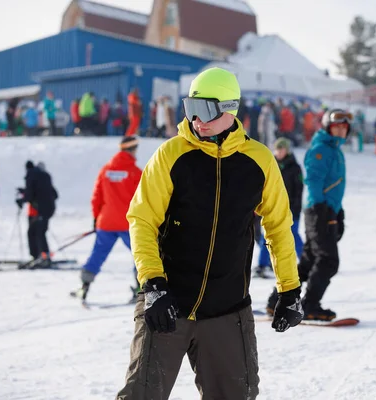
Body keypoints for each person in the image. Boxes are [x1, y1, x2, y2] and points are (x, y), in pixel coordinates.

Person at [116, 67, 302, 400]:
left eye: (206, 111)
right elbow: (142, 219)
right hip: (168, 304)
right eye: (190, 109)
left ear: (230, 108)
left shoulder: (258, 160)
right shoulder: (172, 154)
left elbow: (278, 225)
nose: (196, 120)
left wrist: (289, 289)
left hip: (227, 311)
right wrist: (153, 283)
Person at [267, 109, 349, 321]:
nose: (341, 130)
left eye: (344, 127)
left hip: (326, 210)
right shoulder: (321, 149)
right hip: (319, 212)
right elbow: (313, 181)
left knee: (308, 262)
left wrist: (338, 213)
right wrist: (323, 210)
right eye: (336, 126)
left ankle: (276, 299)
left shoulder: (334, 149)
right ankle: (310, 305)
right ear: (327, 127)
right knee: (328, 260)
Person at [73, 136, 142, 302]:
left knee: (97, 254)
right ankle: (141, 289)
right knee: (140, 254)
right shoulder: (135, 172)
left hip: (107, 221)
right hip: (128, 222)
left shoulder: (105, 170)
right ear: (132, 150)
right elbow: (142, 199)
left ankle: (84, 286)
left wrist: (96, 218)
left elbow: (96, 197)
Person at [256, 137, 304, 278]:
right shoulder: (271, 164)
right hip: (272, 207)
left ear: (287, 150)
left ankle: (306, 260)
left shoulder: (294, 167)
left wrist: (294, 209)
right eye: (277, 149)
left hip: (291, 209)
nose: (278, 152)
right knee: (267, 236)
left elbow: (298, 190)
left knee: (292, 235)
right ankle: (262, 265)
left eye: (281, 149)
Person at [17, 161, 58, 268]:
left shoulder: (31, 175)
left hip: (41, 210)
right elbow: (55, 194)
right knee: (38, 232)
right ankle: (41, 256)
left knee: (36, 232)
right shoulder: (45, 176)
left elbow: (30, 193)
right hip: (49, 209)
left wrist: (22, 200)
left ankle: (40, 257)